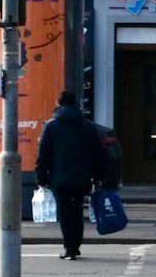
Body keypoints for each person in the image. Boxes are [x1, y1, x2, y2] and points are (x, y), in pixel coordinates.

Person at [35, 90, 108, 260]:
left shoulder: (51, 126)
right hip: (82, 176)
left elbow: (43, 154)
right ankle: (76, 245)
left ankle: (69, 247)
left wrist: (41, 177)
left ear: (58, 103)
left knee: (65, 212)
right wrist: (98, 177)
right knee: (77, 212)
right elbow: (97, 154)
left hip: (59, 177)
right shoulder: (88, 126)